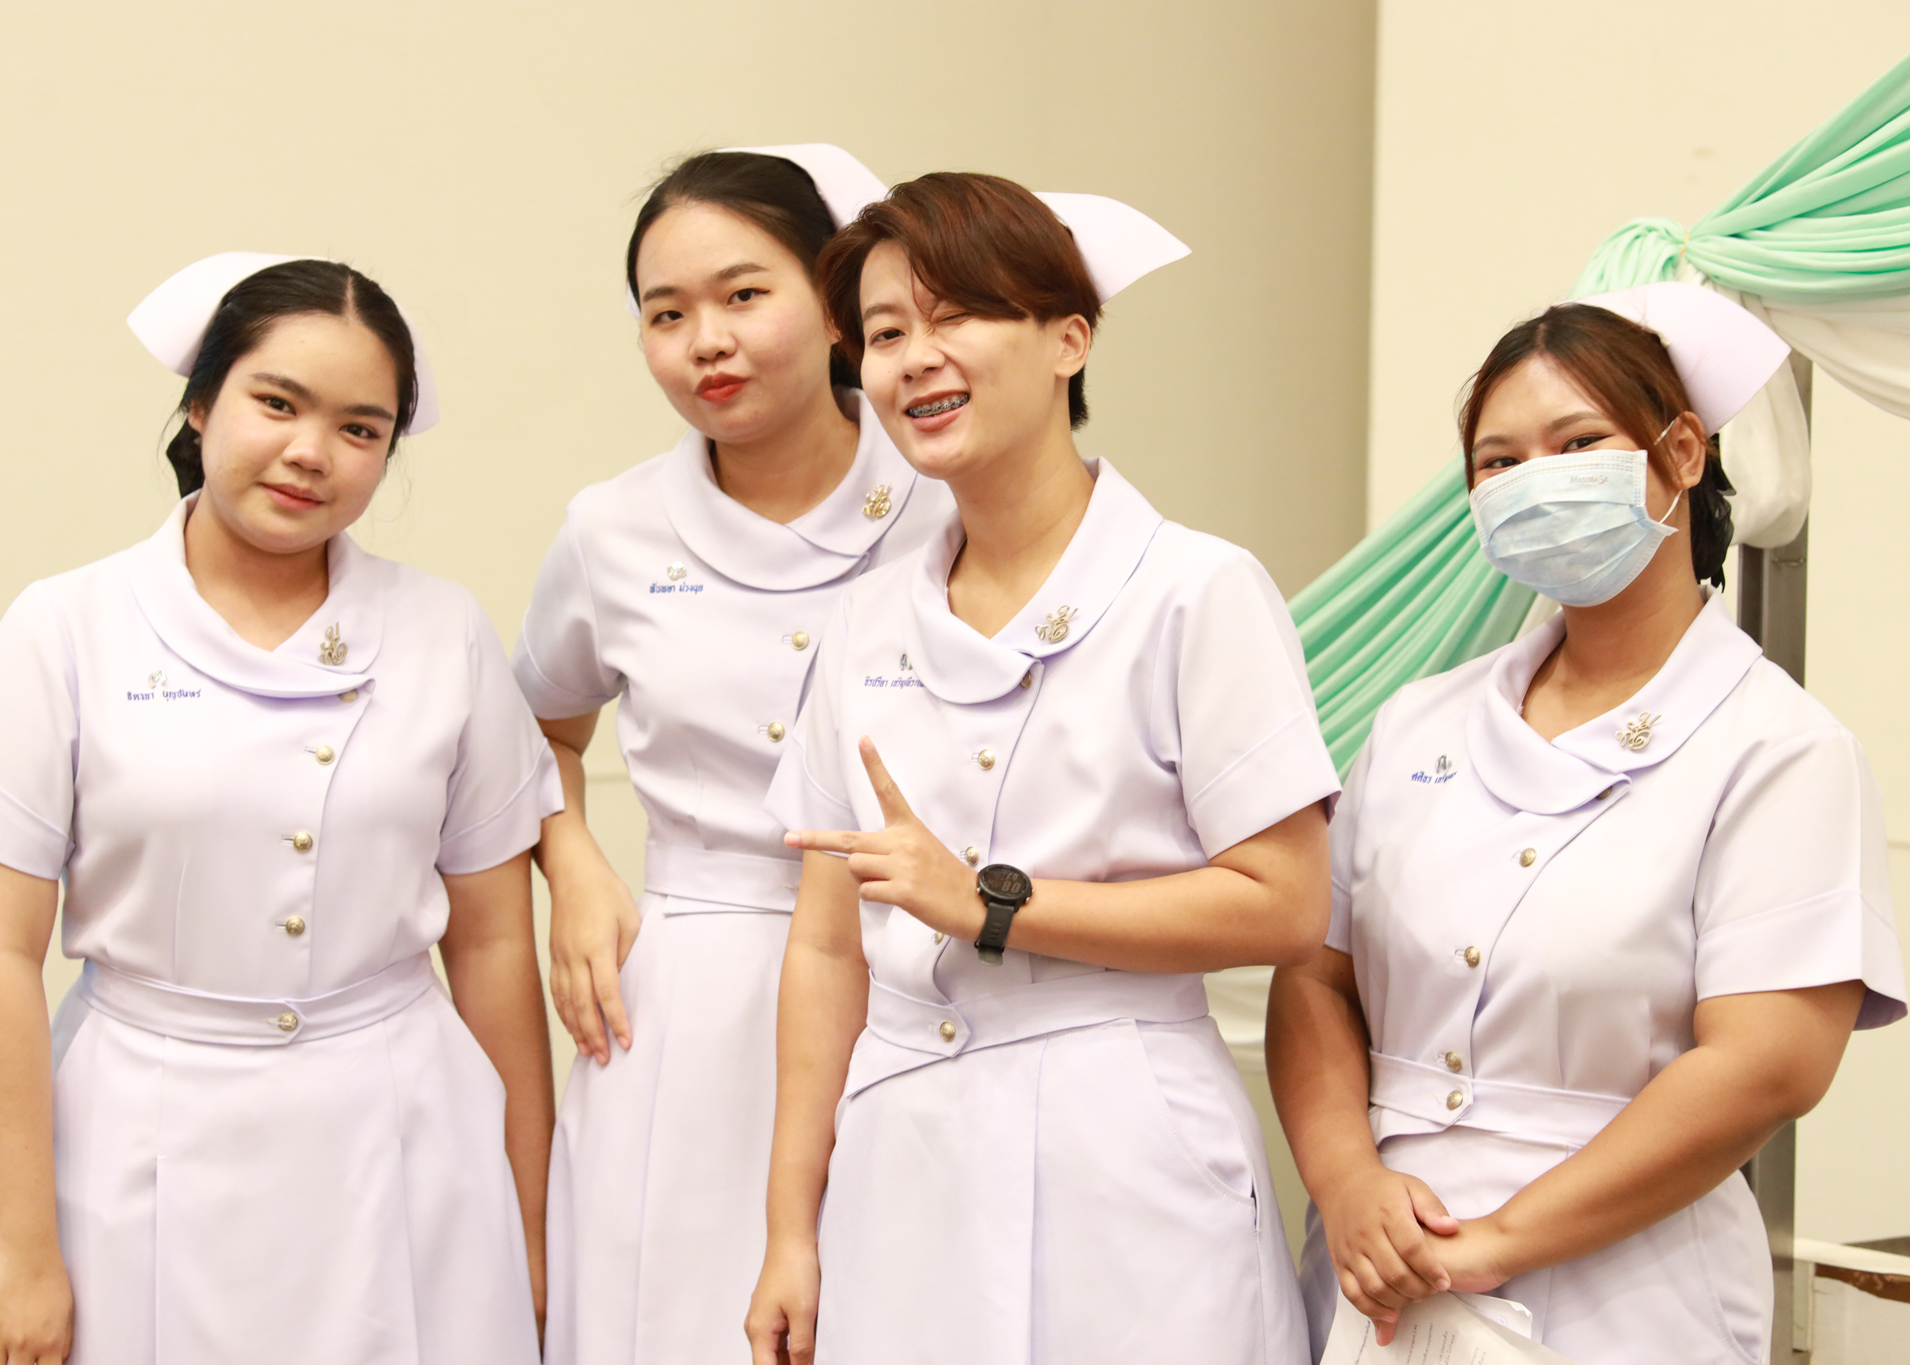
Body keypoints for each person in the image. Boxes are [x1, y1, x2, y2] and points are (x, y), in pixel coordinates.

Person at [0, 255, 559, 1365]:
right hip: (141, 1132)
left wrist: (531, 1223)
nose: (312, 452)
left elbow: (494, 945)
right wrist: (21, 1246)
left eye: (360, 428)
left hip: (404, 1134)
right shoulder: (68, 627)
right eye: (278, 403)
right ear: (201, 402)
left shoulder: (442, 631)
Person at [745, 171, 1340, 1365]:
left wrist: (992, 903)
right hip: (905, 1152)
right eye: (883, 333)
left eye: (955, 314)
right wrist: (789, 1231)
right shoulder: (863, 622)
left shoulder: (1194, 591)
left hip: (1123, 1144)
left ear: (1069, 339)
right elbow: (824, 947)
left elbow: (1284, 904)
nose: (914, 358)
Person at [1268, 283, 1906, 1364]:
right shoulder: (1417, 722)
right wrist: (1346, 1183)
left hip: (1629, 1291)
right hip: (1378, 1271)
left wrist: (1501, 1239)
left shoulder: (1778, 748)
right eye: (1498, 462)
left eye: (1577, 444)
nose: (1536, 480)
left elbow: (1767, 1064)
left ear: (1682, 452)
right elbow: (1315, 976)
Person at [518, 146, 953, 1365]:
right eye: (665, 314)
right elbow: (533, 730)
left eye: (743, 295)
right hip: (686, 996)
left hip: (912, 972)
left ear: (832, 300)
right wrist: (574, 864)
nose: (704, 340)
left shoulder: (943, 496)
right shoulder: (611, 530)